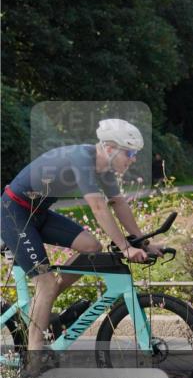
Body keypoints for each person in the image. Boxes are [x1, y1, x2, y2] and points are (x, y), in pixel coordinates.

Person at [1, 119, 162, 351]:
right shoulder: (81, 159)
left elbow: (118, 204)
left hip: (38, 214)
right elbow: (98, 207)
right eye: (129, 152)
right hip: (13, 213)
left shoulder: (104, 168)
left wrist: (144, 242)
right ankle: (33, 358)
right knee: (44, 283)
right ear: (109, 148)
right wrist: (125, 247)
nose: (133, 158)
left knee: (91, 246)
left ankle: (45, 307)